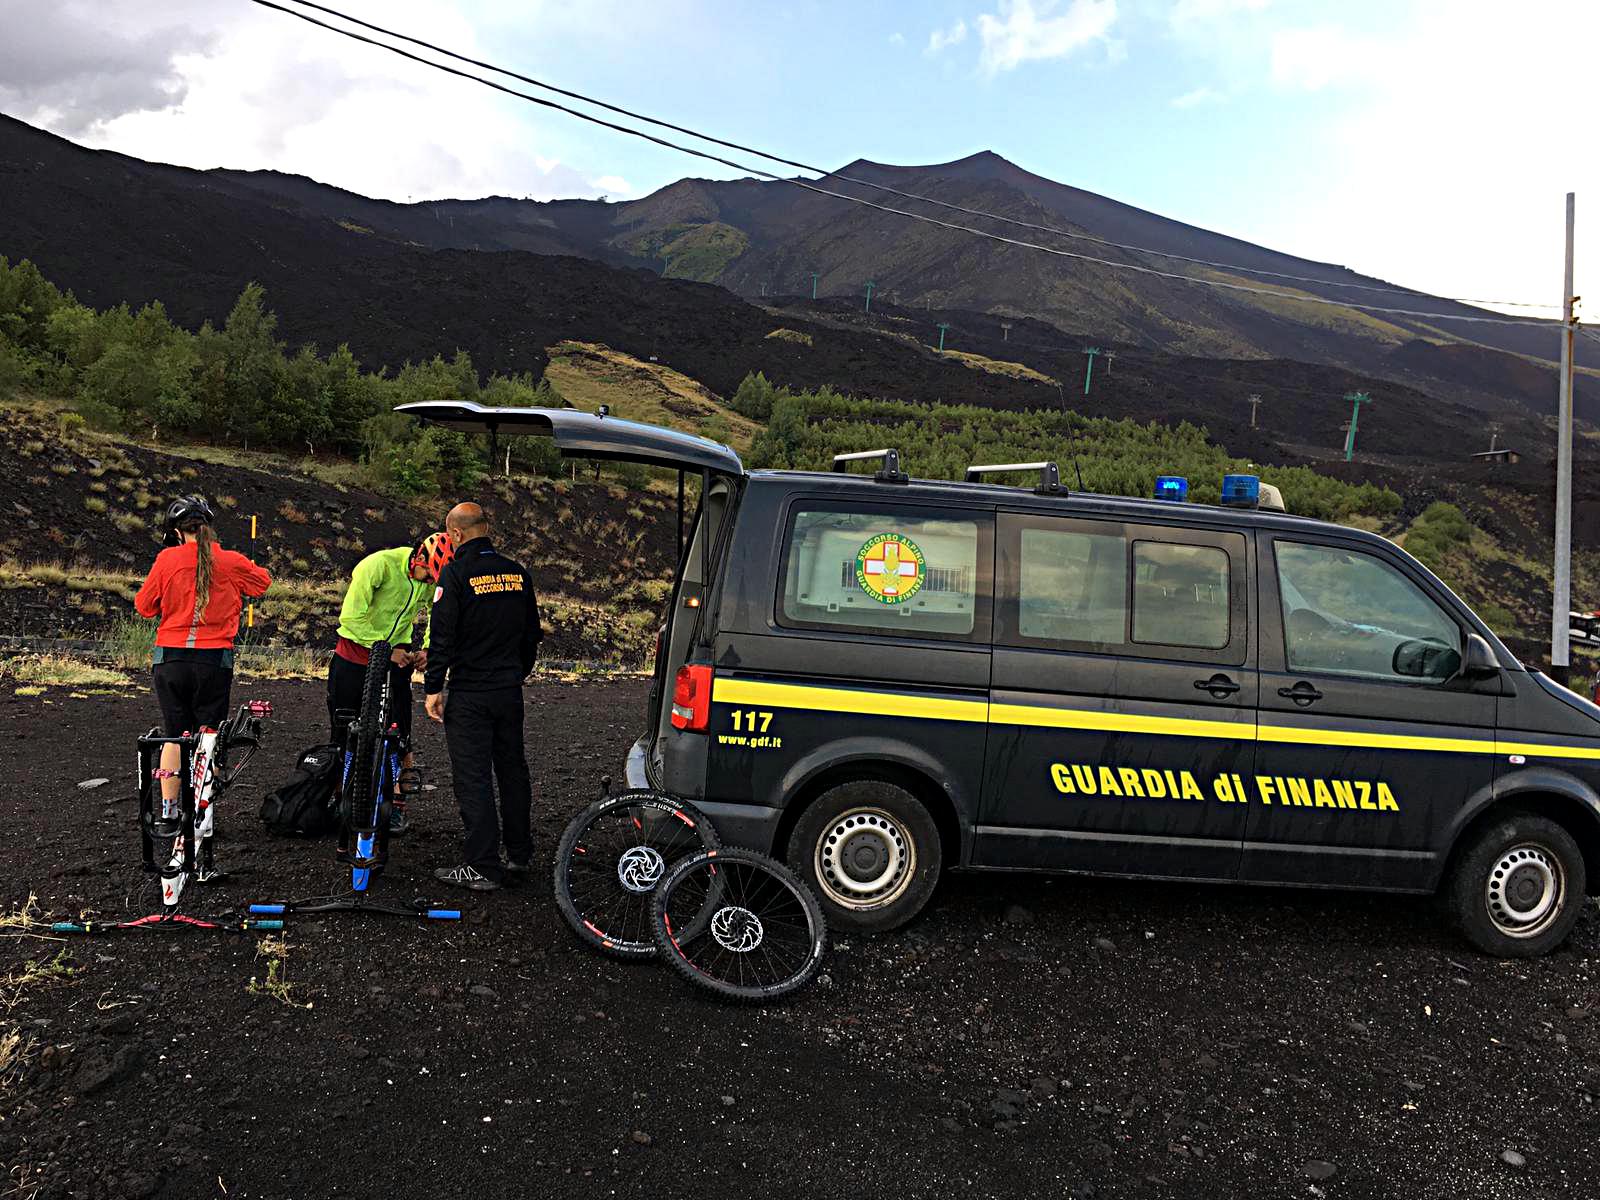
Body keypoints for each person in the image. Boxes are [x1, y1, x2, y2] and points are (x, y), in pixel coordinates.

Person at [135, 495, 272, 848]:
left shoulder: (167, 559)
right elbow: (262, 582)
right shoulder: (228, 560)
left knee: (173, 734)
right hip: (213, 659)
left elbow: (144, 606)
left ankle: (168, 811)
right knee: (208, 736)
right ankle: (203, 816)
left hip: (171, 658)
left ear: (177, 533)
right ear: (208, 527)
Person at [424, 502, 541, 891]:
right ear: (486, 527)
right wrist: (517, 673)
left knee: (473, 778)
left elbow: (442, 638)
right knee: (512, 772)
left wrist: (433, 688)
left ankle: (483, 865)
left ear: (455, 535)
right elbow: (531, 635)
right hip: (508, 692)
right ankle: (520, 854)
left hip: (470, 693)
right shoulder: (518, 574)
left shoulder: (454, 575)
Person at [328, 531, 454, 834]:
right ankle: (337, 799)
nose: (428, 583)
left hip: (397, 659)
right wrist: (385, 649)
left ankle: (398, 805)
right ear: (418, 558)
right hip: (354, 655)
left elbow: (438, 615)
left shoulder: (431, 579)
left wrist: (427, 648)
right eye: (427, 576)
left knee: (400, 730)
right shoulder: (378, 565)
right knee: (342, 731)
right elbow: (351, 618)